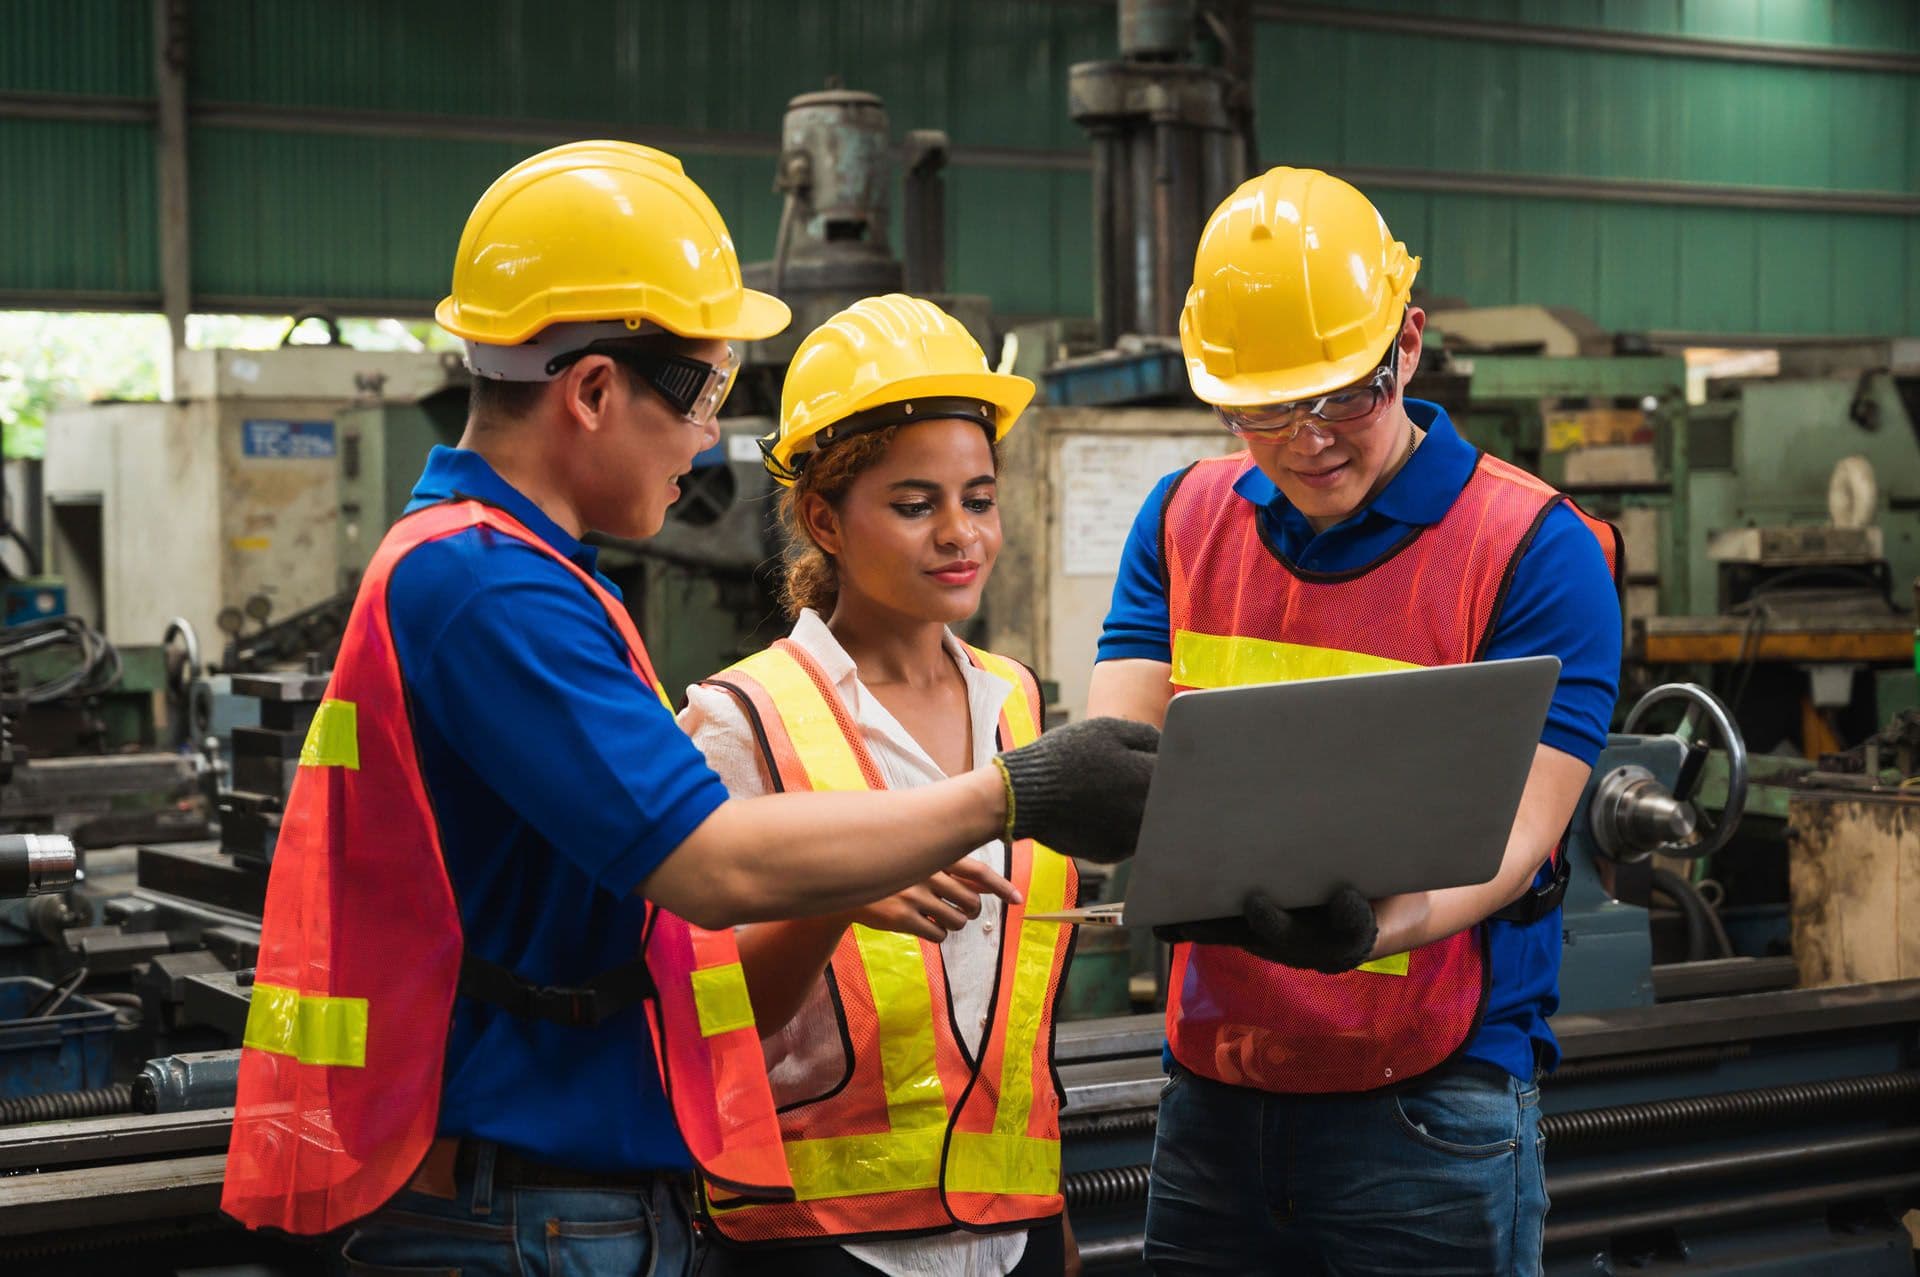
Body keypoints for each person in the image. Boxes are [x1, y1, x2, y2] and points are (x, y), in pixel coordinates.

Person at [219, 142, 1156, 1277]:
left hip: (569, 1199)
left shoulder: (527, 575)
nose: (713, 433)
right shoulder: (484, 586)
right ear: (596, 389)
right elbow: (707, 861)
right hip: (529, 1212)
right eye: (707, 390)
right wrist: (1021, 790)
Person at [1086, 167, 1622, 1275]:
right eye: (1265, 405)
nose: (1307, 437)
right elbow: (1128, 760)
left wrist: (1370, 929)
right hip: (1215, 1096)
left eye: (1344, 395)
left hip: (1430, 1106)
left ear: (1409, 345)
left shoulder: (1534, 548)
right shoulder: (1184, 519)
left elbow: (1519, 839)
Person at [681, 294, 1080, 1277]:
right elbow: (707, 1015)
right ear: (825, 517)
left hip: (1012, 1227)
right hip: (823, 1240)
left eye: (978, 498)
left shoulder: (1016, 704)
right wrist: (834, 897)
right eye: (916, 504)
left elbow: (1021, 1012)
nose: (962, 534)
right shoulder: (744, 721)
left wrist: (1052, 1219)